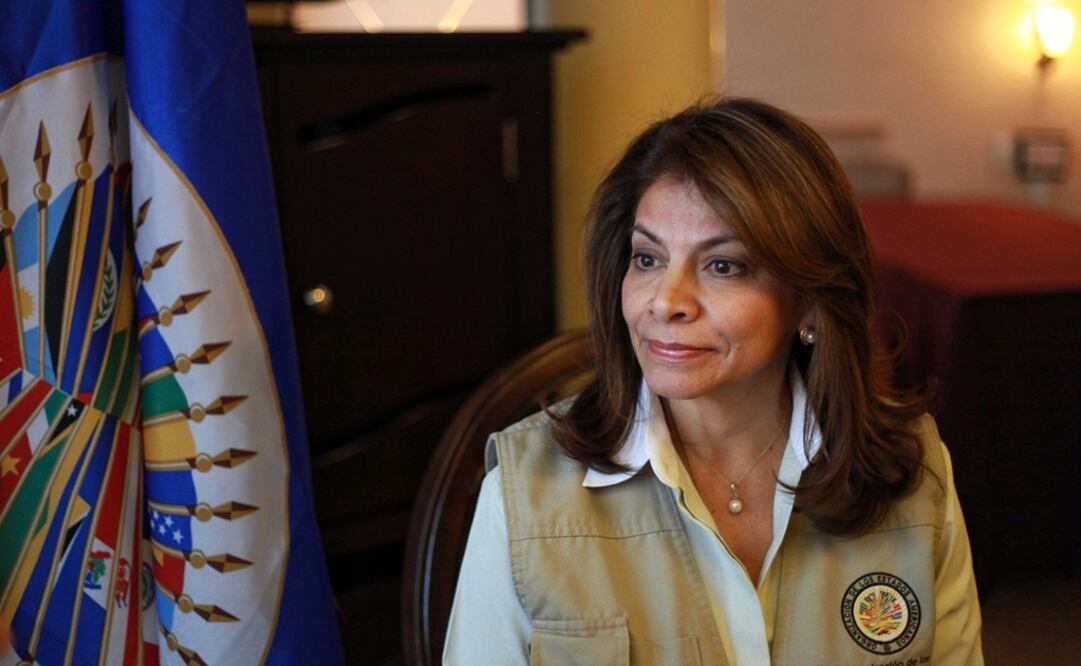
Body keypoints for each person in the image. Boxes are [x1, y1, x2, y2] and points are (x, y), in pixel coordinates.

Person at [443, 98, 982, 665]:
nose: (666, 301)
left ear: (810, 304)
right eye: (648, 259)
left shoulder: (914, 467)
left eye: (723, 265)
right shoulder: (524, 490)